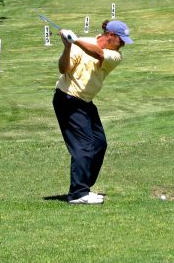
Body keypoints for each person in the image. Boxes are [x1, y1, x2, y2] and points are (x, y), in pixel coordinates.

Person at [53, 19, 134, 204]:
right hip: (67, 98)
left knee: (99, 143)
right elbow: (63, 68)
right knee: (84, 144)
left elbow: (97, 53)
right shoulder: (80, 42)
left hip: (85, 101)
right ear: (111, 36)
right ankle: (78, 193)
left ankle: (83, 186)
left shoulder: (115, 56)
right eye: (121, 40)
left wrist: (74, 40)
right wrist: (67, 47)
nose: (123, 45)